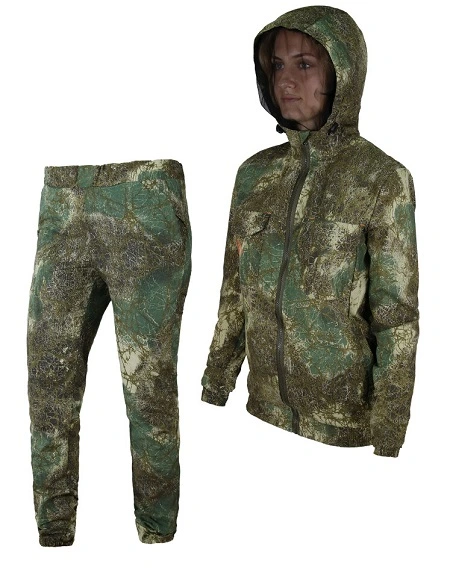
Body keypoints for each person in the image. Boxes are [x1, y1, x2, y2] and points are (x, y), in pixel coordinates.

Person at [201, 6, 419, 457]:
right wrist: (216, 383)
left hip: (342, 429)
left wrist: (389, 432)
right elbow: (234, 293)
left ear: (342, 73)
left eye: (304, 65)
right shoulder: (253, 175)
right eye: (277, 65)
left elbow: (396, 317)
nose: (285, 80)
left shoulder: (381, 178)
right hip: (259, 419)